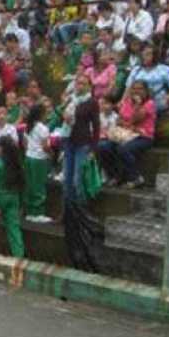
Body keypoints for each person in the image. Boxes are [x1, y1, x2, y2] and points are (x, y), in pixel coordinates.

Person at [61, 73, 101, 272]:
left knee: (77, 182)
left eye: (83, 83)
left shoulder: (91, 103)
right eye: (77, 82)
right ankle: (68, 216)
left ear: (89, 85)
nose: (79, 85)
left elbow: (97, 127)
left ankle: (81, 217)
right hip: (69, 142)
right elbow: (65, 121)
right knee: (66, 182)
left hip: (82, 144)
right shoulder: (71, 100)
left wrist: (93, 149)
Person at [98, 81, 156, 188]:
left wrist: (138, 105)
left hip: (144, 136)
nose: (136, 91)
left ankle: (135, 177)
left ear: (146, 91)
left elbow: (136, 119)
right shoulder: (127, 102)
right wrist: (130, 125)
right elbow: (119, 120)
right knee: (103, 146)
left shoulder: (150, 103)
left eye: (140, 89)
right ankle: (114, 176)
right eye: (134, 88)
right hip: (125, 134)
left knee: (123, 149)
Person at [125, 43, 169, 113]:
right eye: (143, 54)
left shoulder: (165, 69)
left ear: (154, 56)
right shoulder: (136, 70)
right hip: (137, 100)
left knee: (147, 107)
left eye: (148, 54)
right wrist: (123, 101)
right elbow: (128, 88)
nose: (144, 57)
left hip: (158, 101)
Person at [24, 104, 52, 223]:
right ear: (41, 115)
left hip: (29, 157)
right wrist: (51, 153)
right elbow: (45, 146)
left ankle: (30, 212)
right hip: (39, 160)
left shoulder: (28, 126)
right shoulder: (43, 128)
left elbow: (25, 143)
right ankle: (38, 213)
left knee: (30, 185)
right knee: (39, 186)